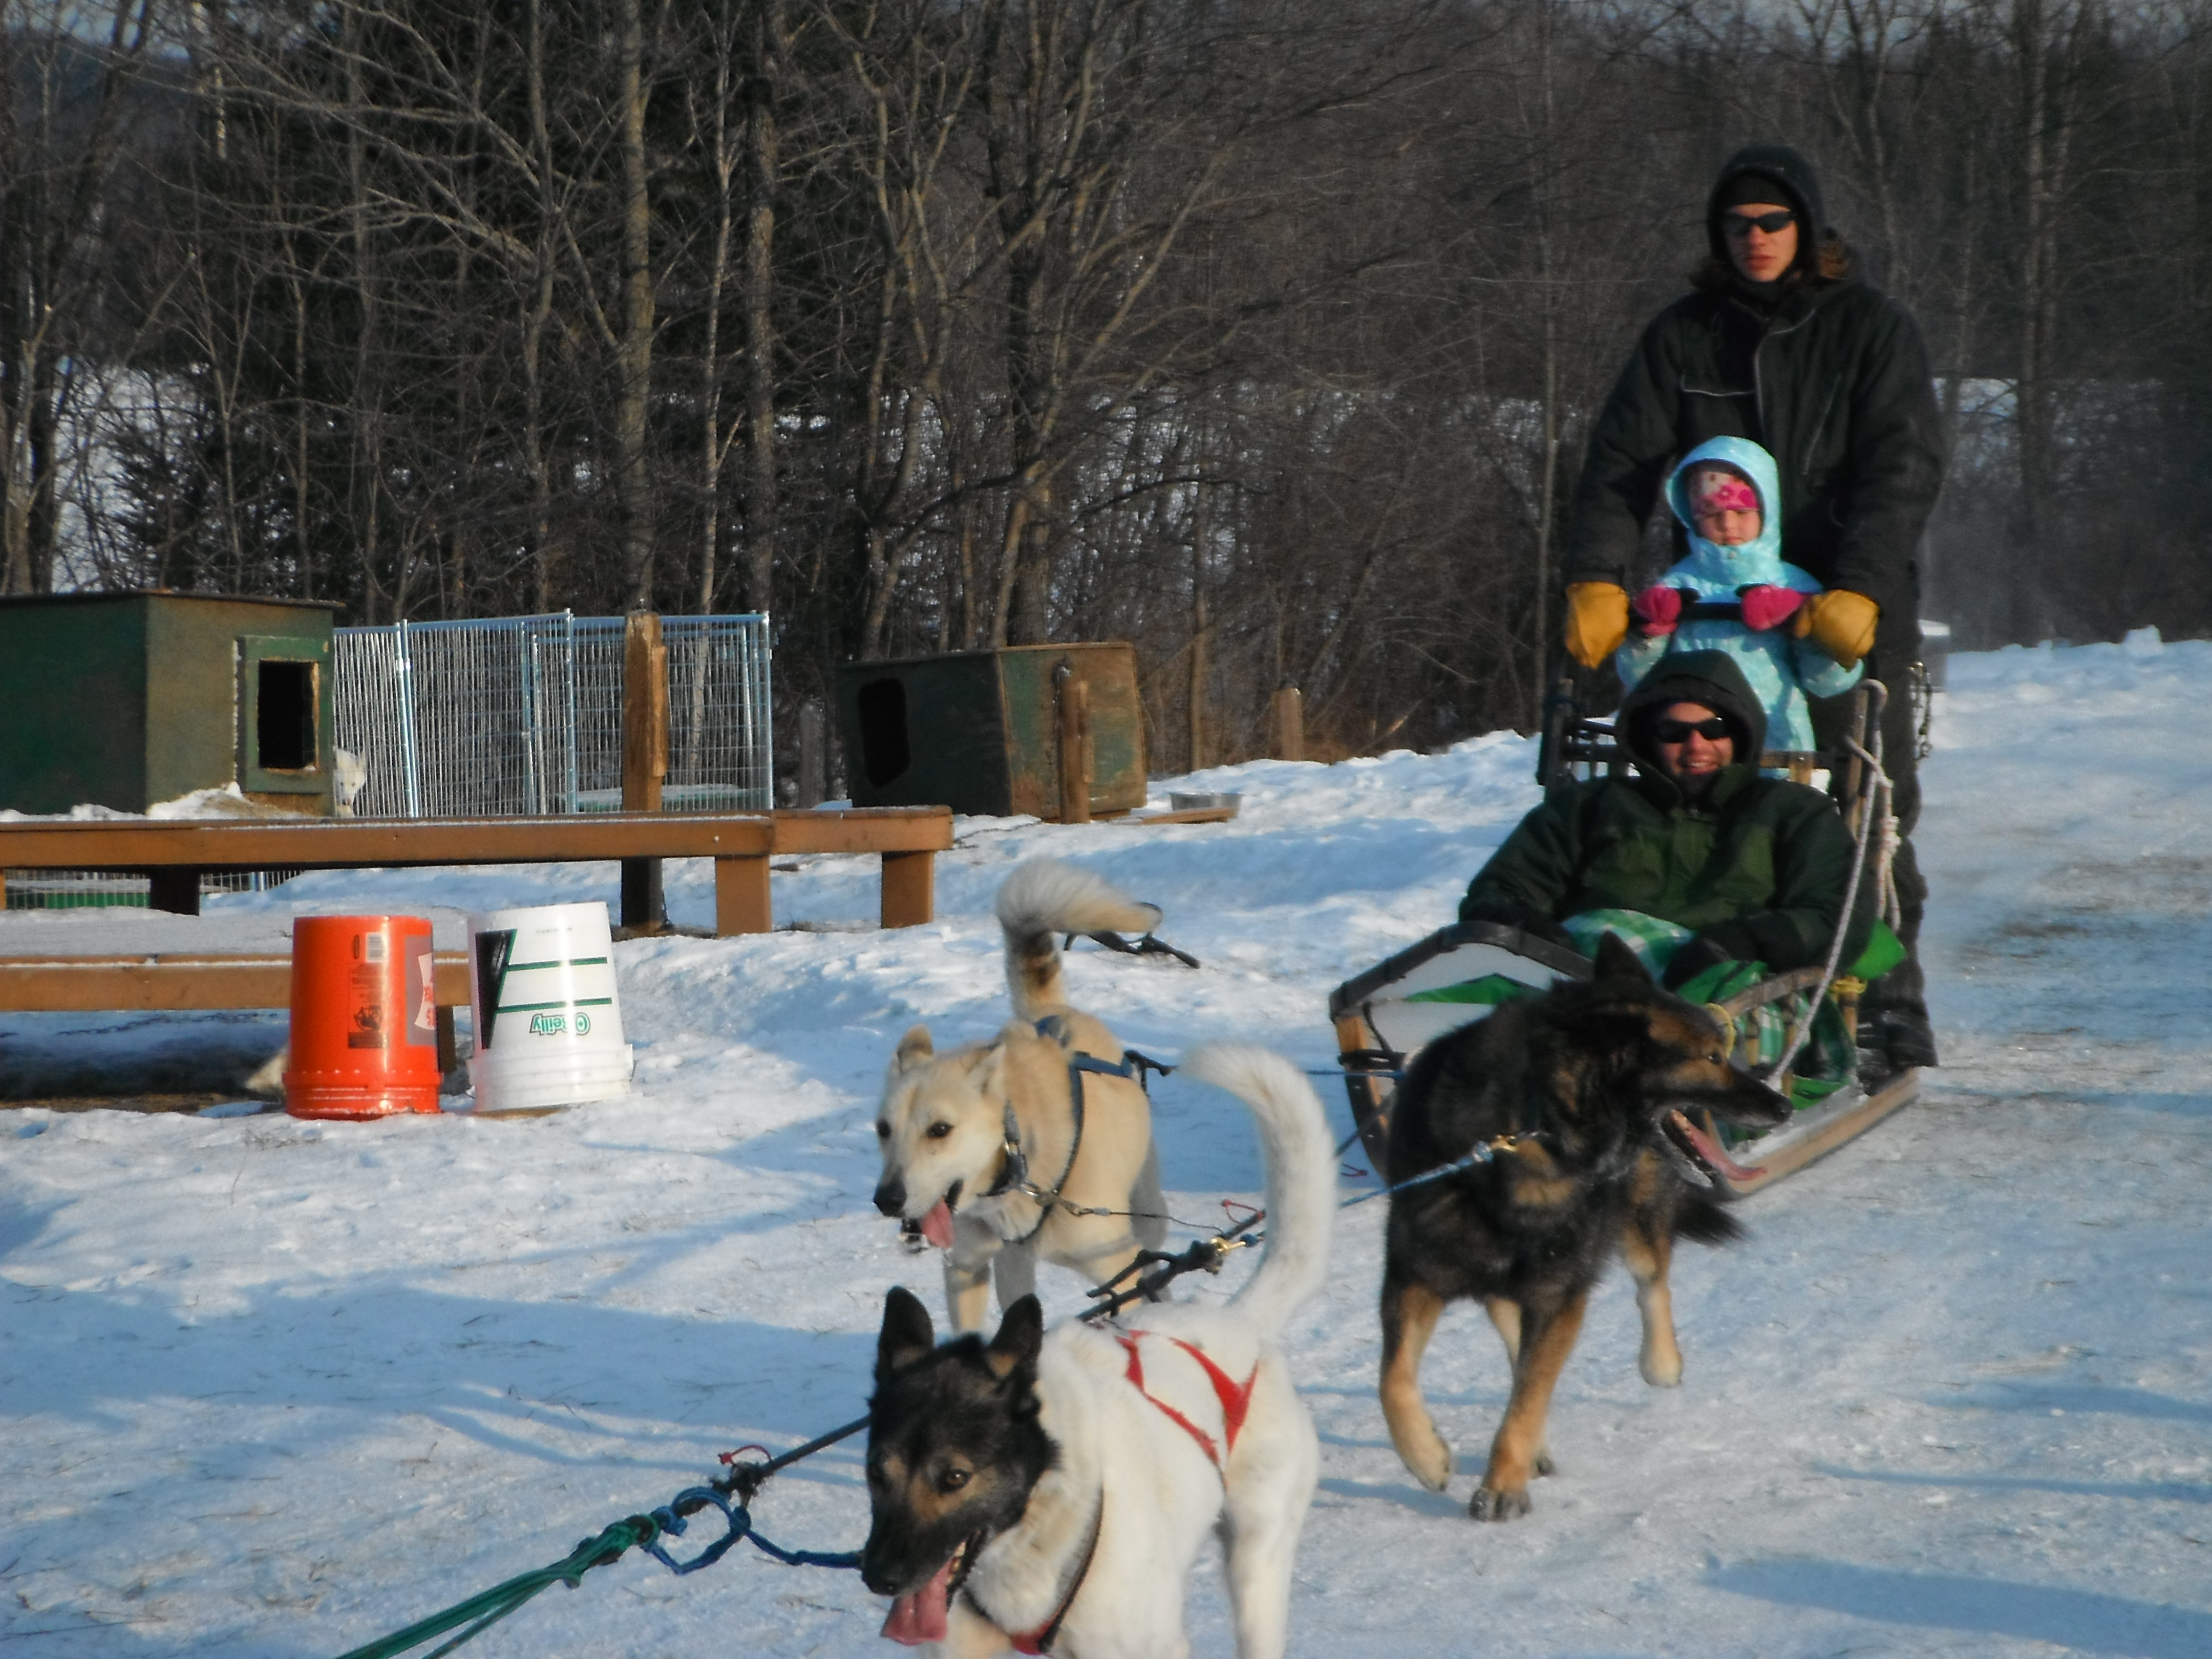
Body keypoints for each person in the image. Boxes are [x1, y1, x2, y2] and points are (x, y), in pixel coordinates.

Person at [1557, 142, 1944, 1073]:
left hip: (1838, 609)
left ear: (1807, 228)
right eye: (1737, 224)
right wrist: (1598, 577)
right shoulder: (1684, 337)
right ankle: (1672, 977)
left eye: (1773, 222)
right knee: (1689, 790)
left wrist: (1857, 588)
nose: (1755, 238)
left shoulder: (1870, 331)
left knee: (1864, 804)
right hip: (1712, 613)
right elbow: (1620, 465)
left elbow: (1901, 468)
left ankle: (1886, 995)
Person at [1461, 651, 1871, 999]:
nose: (1696, 746)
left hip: (1730, 993)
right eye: (1674, 732)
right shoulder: (1588, 807)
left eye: (1714, 729)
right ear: (1649, 739)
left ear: (1740, 733)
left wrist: (1742, 941)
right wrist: (1533, 931)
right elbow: (1501, 890)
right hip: (1591, 984)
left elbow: (1839, 914)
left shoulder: (1794, 812)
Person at [1617, 436, 1861, 757]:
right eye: (1712, 514)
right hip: (1694, 744)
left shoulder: (1793, 584)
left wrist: (1806, 629)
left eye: (1742, 511)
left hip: (1776, 747)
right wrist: (1648, 636)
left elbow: (1828, 683)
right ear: (1693, 519)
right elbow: (1638, 678)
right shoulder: (1676, 584)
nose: (1728, 525)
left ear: (1766, 511)